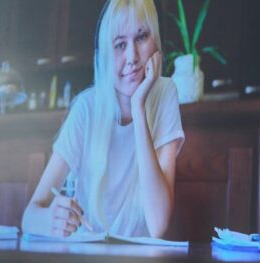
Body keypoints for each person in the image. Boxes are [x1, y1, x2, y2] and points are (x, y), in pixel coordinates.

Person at [22, 0, 184, 239]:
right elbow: (29, 217)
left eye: (141, 37)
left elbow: (158, 224)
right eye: (120, 44)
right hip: (88, 255)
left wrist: (138, 109)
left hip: (139, 260)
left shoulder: (165, 93)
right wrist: (50, 220)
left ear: (156, 41)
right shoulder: (86, 108)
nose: (132, 56)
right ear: (106, 55)